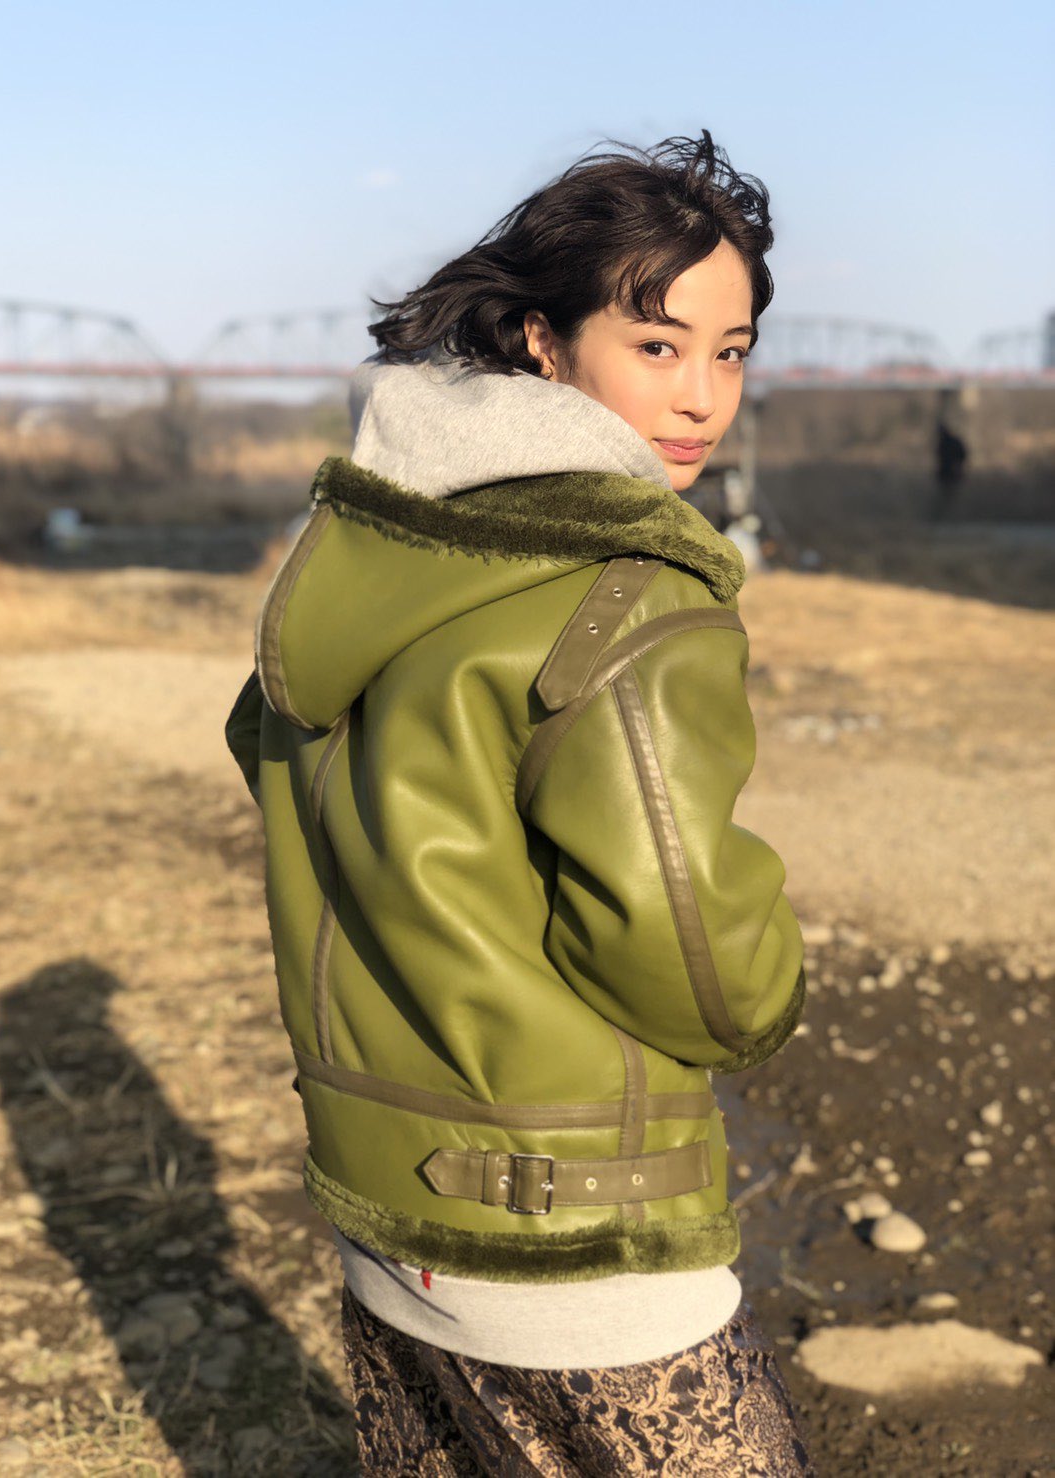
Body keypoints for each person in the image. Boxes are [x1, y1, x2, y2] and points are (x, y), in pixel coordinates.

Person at [226, 130, 815, 1475]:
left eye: (731, 353)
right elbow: (697, 960)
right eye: (657, 344)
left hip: (388, 1212)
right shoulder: (629, 592)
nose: (702, 398)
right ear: (544, 343)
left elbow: (285, 776)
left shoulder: (370, 552)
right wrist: (776, 979)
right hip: (583, 1238)